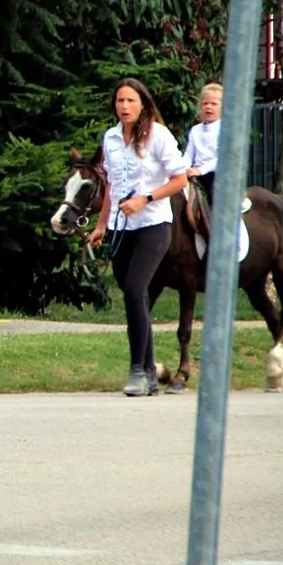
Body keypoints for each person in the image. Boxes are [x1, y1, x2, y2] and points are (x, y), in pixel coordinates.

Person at [84, 78, 189, 397]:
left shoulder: (158, 135)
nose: (124, 106)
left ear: (143, 103)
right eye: (119, 101)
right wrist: (101, 225)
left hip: (154, 225)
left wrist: (146, 198)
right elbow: (113, 187)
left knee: (134, 289)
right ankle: (149, 371)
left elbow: (179, 179)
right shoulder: (111, 138)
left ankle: (137, 371)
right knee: (136, 297)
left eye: (130, 101)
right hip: (120, 227)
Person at [184, 81, 222, 208]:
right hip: (195, 174)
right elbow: (189, 154)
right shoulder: (196, 130)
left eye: (214, 104)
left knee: (214, 196)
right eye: (205, 103)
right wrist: (182, 169)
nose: (208, 107)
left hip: (216, 174)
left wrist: (200, 170)